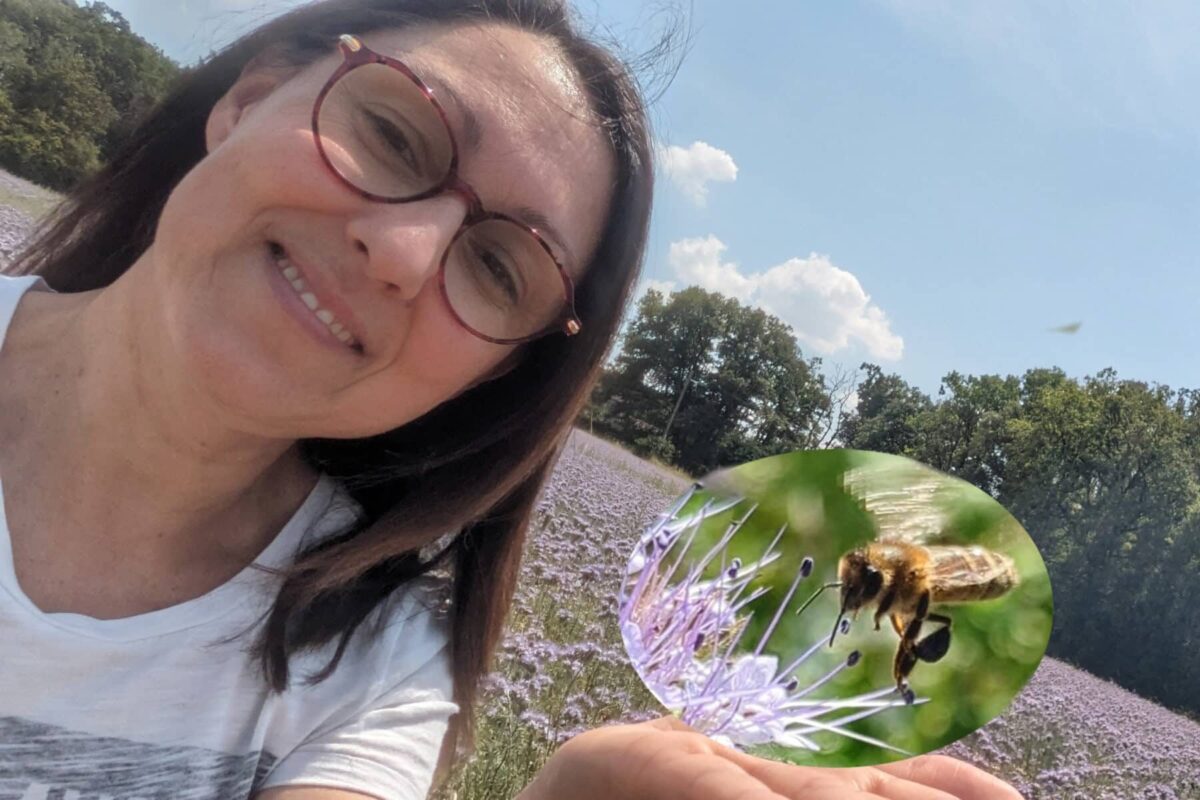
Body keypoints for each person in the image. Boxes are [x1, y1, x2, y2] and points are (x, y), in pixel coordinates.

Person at [0, 0, 1025, 798]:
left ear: (489, 375)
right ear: (248, 97)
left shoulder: (372, 657)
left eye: (498, 270)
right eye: (396, 136)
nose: (403, 254)